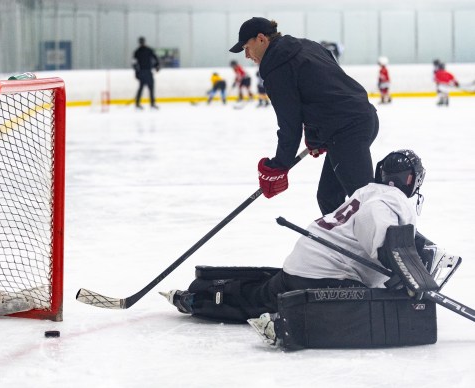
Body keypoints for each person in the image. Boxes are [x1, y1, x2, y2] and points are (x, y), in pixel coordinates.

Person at [163, 150, 452, 346]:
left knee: (258, 298)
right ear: (411, 179)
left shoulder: (368, 190)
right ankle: (290, 322)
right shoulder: (390, 200)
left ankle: (198, 298)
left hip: (300, 265)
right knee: (368, 308)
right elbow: (380, 231)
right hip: (325, 277)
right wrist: (403, 273)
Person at [229, 17, 379, 216]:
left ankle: (405, 242)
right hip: (357, 119)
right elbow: (325, 85)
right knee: (329, 197)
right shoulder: (305, 45)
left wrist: (279, 165)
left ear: (261, 39)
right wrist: (317, 132)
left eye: (247, 47)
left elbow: (289, 124)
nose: (247, 55)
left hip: (346, 129)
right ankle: (349, 242)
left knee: (363, 200)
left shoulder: (276, 68)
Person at [133, 37, 160, 110]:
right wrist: (157, 66)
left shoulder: (137, 51)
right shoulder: (148, 50)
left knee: (142, 88)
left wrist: (136, 73)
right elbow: (155, 58)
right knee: (150, 88)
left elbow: (134, 64)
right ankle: (151, 104)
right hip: (147, 72)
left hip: (143, 72)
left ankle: (138, 104)